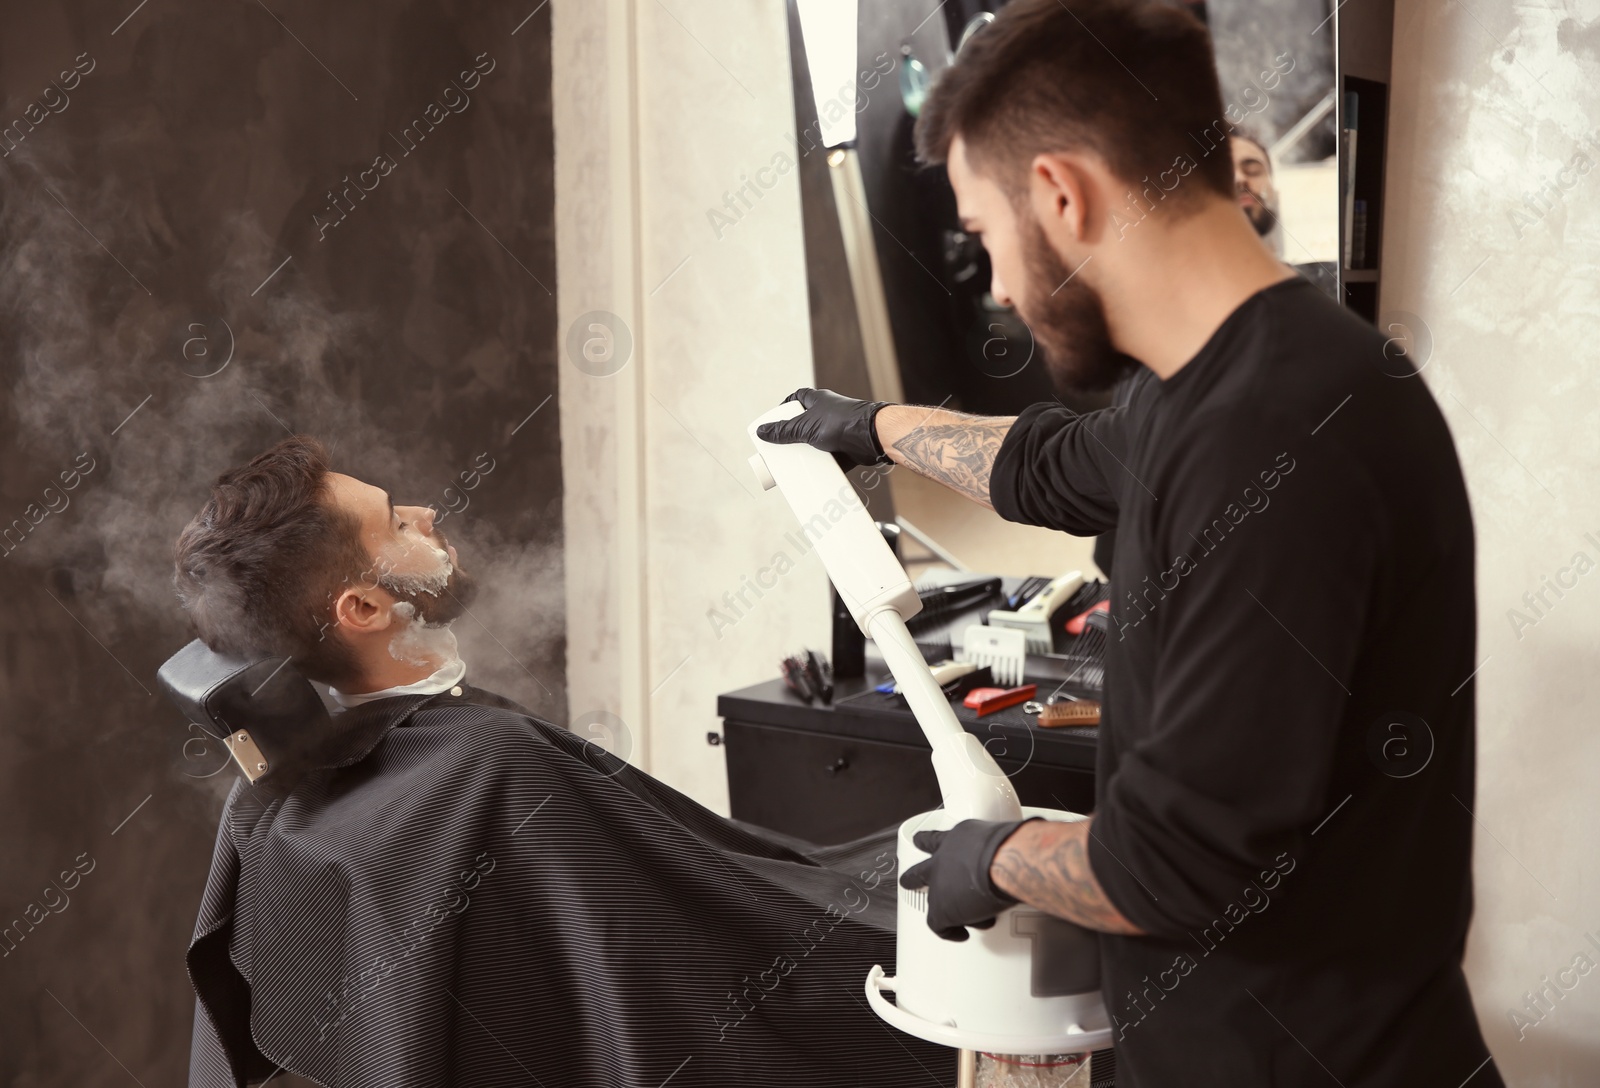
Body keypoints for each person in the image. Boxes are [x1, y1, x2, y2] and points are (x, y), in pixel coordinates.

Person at [757, 1, 1502, 1085]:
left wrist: (997, 856)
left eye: (983, 235)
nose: (999, 284)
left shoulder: (1275, 431)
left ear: (1060, 193)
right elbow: (1046, 463)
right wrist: (869, 426)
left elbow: (1174, 866)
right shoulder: (1218, 384)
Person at [171, 436, 948, 1088]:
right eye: (393, 521)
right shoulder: (488, 760)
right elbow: (698, 965)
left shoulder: (280, 805)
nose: (426, 513)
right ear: (366, 609)